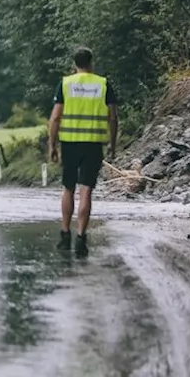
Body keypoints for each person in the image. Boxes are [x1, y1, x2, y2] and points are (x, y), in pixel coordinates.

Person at [48, 46, 117, 257]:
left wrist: (52, 145)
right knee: (86, 190)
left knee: (68, 188)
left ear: (74, 64)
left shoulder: (66, 84)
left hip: (69, 143)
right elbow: (113, 118)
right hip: (93, 144)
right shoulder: (103, 84)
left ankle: (65, 233)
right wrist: (112, 144)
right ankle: (81, 238)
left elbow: (55, 118)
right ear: (91, 62)